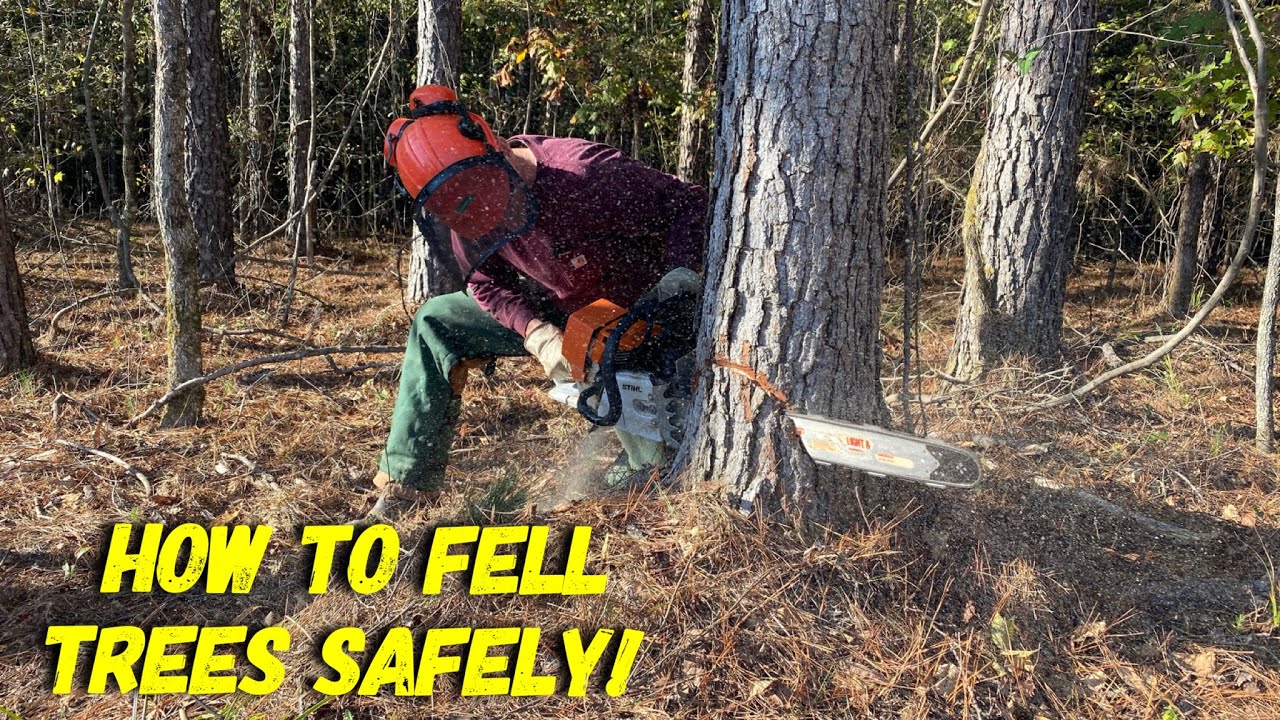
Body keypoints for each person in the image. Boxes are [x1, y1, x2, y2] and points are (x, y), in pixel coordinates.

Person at [374, 85, 707, 506]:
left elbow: (687, 204)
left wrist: (678, 276)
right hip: (561, 308)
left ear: (492, 147)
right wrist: (536, 332)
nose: (487, 214)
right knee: (437, 321)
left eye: (489, 196)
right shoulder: (463, 203)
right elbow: (483, 282)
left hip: (640, 310)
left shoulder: (585, 175)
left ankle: (643, 462)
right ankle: (406, 484)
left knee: (651, 473)